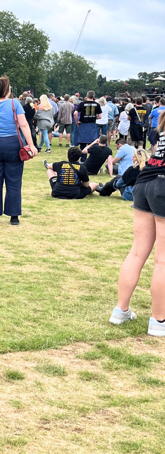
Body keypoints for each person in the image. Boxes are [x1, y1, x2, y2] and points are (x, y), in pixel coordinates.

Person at [108, 110, 165, 336]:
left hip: (145, 181)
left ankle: (121, 310)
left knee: (137, 252)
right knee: (162, 259)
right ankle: (159, 320)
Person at [0, 76, 38, 225]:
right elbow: (24, 125)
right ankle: (14, 216)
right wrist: (31, 145)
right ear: (6, 90)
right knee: (14, 181)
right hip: (12, 144)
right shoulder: (14, 103)